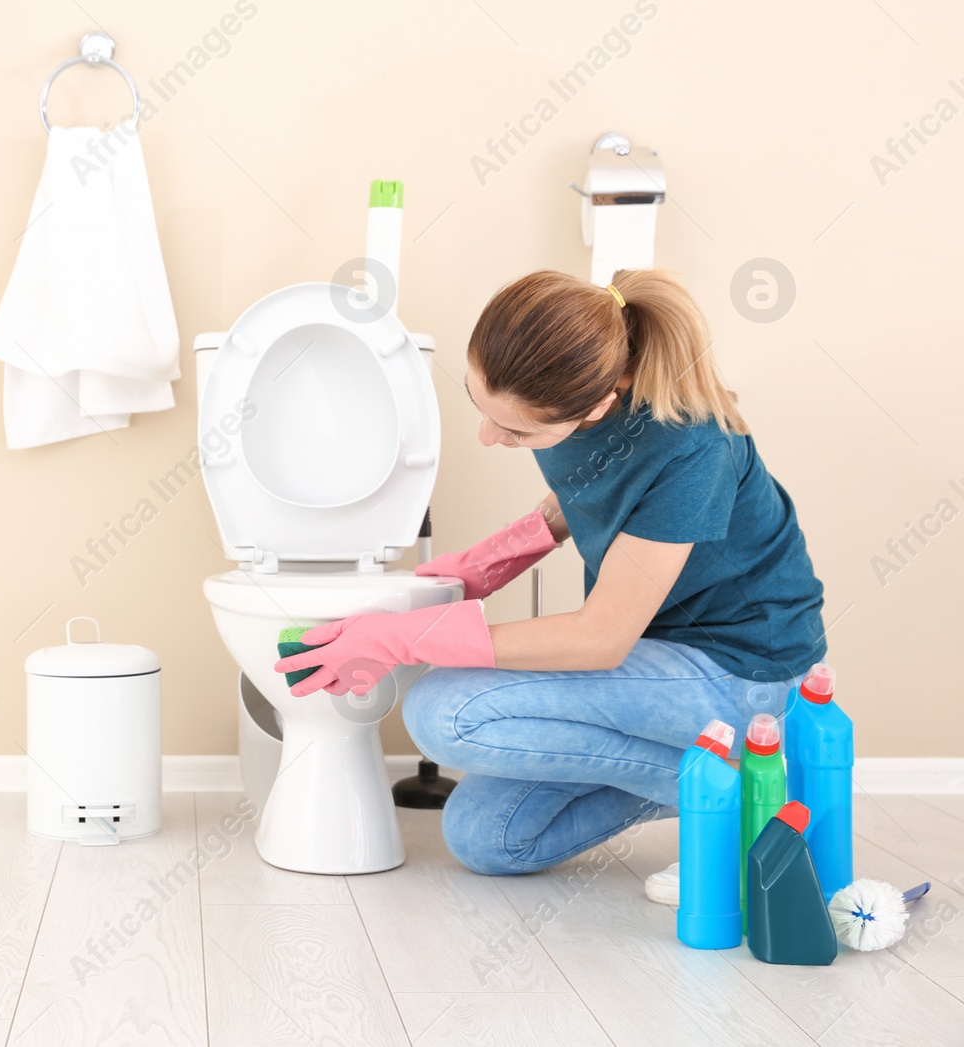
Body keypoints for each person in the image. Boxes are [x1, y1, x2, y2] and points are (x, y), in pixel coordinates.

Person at [272, 269, 826, 900]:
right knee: (488, 838)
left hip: (743, 670)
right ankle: (695, 773)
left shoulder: (694, 453)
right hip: (659, 658)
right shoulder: (576, 389)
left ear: (597, 406)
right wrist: (494, 559)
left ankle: (750, 794)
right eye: (480, 409)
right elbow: (593, 484)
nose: (490, 437)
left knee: (442, 712)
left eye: (516, 432)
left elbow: (599, 640)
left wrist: (405, 639)